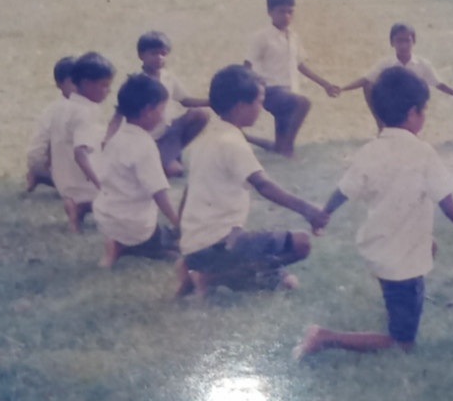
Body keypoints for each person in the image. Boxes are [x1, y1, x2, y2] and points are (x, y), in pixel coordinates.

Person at [295, 67, 453, 359]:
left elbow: (344, 190)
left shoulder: (370, 150)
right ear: (413, 113)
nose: (424, 115)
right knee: (403, 342)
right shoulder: (423, 153)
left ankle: (403, 302)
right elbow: (450, 208)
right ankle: (324, 337)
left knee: (429, 246)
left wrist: (325, 214)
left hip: (379, 247)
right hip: (399, 261)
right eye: (424, 110)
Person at [176, 64, 328, 296]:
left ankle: (214, 273)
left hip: (193, 247)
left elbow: (188, 192)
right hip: (218, 245)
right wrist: (309, 211)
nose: (261, 108)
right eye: (259, 102)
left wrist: (182, 236)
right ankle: (210, 277)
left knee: (284, 279)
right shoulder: (232, 142)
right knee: (301, 243)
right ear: (239, 107)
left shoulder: (206, 138)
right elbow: (264, 185)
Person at [95, 74, 181, 268]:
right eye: (161, 109)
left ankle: (117, 241)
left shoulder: (116, 138)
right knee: (176, 246)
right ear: (148, 111)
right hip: (136, 226)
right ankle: (126, 246)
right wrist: (177, 222)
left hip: (106, 218)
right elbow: (159, 192)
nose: (163, 116)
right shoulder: (144, 145)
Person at [244, 0, 341, 158]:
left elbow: (300, 65)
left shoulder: (294, 37)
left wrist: (325, 84)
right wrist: (251, 91)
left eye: (290, 12)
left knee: (279, 143)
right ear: (270, 12)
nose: (287, 16)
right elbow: (247, 65)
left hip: (290, 91)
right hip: (270, 90)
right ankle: (288, 149)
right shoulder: (261, 37)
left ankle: (249, 138)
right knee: (303, 103)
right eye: (281, 12)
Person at [340, 22, 453, 113]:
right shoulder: (386, 63)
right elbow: (365, 79)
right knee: (369, 86)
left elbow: (439, 84)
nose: (403, 45)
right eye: (399, 41)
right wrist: (342, 89)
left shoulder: (422, 64)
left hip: (413, 104)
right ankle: (381, 125)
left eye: (407, 40)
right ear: (392, 42)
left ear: (414, 41)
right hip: (392, 103)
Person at [49, 51, 115, 232]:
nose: (108, 91)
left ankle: (79, 203)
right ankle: (81, 205)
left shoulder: (63, 106)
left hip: (63, 180)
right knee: (122, 202)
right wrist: (100, 185)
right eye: (104, 85)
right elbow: (80, 153)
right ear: (86, 84)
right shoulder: (84, 113)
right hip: (80, 181)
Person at [132, 31, 210, 176]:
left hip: (170, 131)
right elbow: (122, 113)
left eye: (163, 54)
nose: (159, 58)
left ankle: (172, 152)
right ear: (141, 55)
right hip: (149, 138)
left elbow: (185, 100)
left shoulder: (168, 76)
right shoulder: (136, 81)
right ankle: (162, 159)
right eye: (154, 53)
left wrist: (211, 101)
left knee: (201, 114)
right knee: (175, 171)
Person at [25, 55, 76, 193]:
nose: (79, 86)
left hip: (47, 159)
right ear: (60, 84)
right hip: (45, 159)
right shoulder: (64, 109)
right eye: (73, 82)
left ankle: (40, 176)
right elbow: (55, 141)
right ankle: (44, 175)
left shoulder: (72, 105)